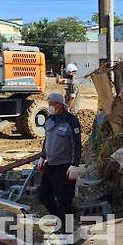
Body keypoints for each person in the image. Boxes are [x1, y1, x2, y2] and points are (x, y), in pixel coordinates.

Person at [37, 92, 82, 233]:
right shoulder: (50, 120)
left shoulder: (71, 121)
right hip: (51, 165)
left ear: (59, 104)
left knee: (64, 200)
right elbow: (47, 140)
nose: (49, 106)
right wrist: (43, 156)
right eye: (48, 103)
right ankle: (59, 219)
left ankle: (67, 230)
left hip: (65, 167)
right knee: (44, 196)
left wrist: (74, 165)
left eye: (51, 103)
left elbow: (77, 145)